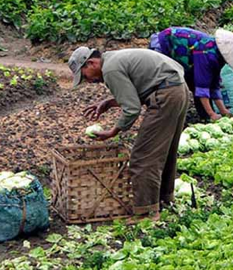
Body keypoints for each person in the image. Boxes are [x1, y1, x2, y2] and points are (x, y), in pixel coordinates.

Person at [71, 46, 189, 222]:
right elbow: (141, 87)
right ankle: (165, 198)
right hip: (178, 90)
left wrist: (114, 131)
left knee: (143, 156)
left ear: (91, 63)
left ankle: (147, 212)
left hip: (166, 95)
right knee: (165, 151)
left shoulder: (109, 69)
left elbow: (132, 108)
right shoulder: (115, 59)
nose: (88, 81)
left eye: (84, 75)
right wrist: (110, 103)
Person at [148, 27, 233, 122]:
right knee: (170, 85)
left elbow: (214, 85)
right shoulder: (207, 54)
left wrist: (223, 111)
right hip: (165, 46)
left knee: (199, 82)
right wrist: (212, 114)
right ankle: (164, 117)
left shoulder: (218, 56)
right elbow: (202, 85)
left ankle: (205, 116)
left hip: (185, 56)